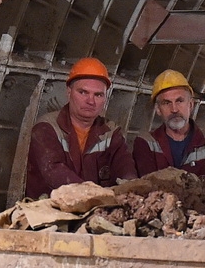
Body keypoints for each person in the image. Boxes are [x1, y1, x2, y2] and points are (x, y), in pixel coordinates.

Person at [25, 57, 137, 198]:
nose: (91, 101)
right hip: (49, 208)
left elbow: (125, 168)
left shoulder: (111, 132)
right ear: (69, 92)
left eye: (98, 95)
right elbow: (54, 171)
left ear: (105, 98)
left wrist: (130, 189)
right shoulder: (46, 128)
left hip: (95, 206)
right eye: (83, 92)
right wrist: (95, 195)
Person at [132, 69, 205, 184]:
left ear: (190, 105)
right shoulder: (145, 143)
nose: (174, 109)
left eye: (179, 101)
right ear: (158, 110)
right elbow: (146, 186)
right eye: (166, 103)